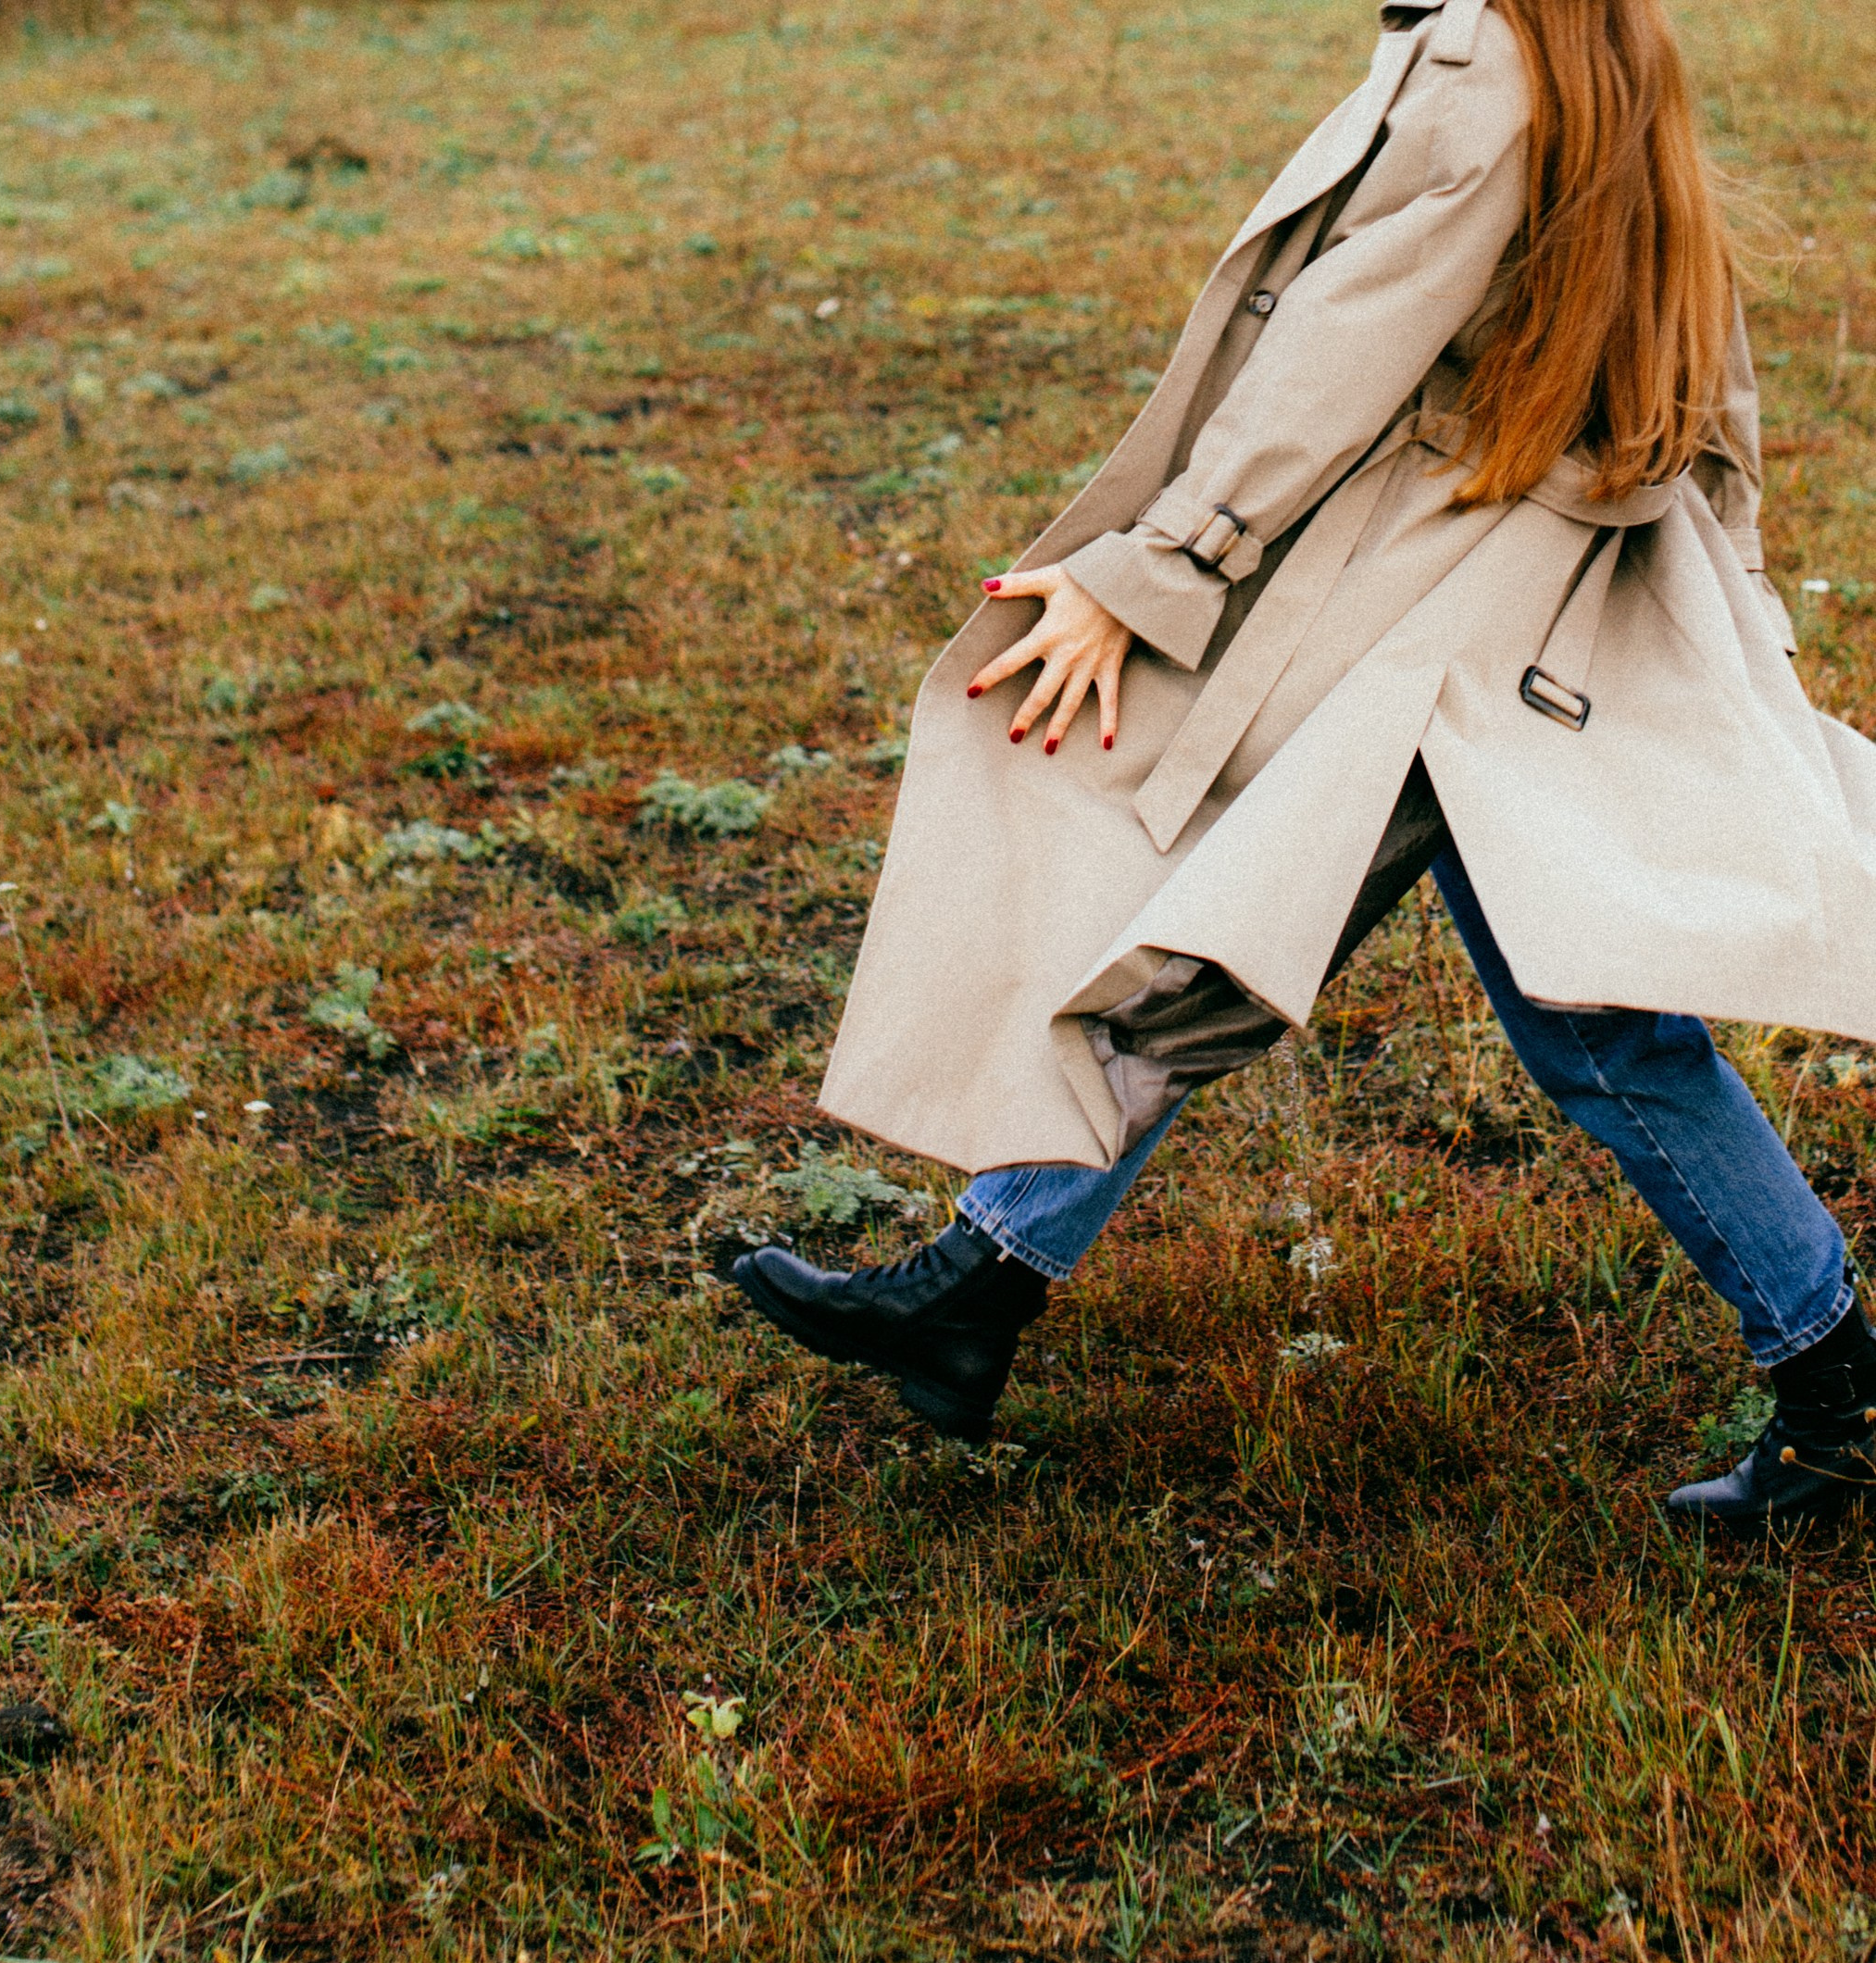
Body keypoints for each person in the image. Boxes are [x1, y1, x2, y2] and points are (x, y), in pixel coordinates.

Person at [732, 0, 1876, 1531]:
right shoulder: (1606, 39)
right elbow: (1707, 366)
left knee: (1518, 1005)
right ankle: (977, 1286)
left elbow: (1345, 335)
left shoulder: (1483, 55)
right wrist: (1731, 599)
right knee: (1292, 940)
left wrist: (1162, 563)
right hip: (1539, 600)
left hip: (1442, 607)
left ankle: (1839, 1387)